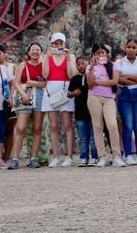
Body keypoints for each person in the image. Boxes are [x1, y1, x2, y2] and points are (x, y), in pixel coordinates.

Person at [8, 42, 48, 169]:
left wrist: (32, 82)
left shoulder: (44, 65)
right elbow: (16, 82)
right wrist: (23, 94)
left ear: (41, 52)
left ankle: (34, 158)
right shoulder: (23, 65)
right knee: (20, 128)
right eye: (33, 50)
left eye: (37, 49)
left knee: (37, 128)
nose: (35, 52)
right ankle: (15, 158)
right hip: (26, 95)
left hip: (40, 96)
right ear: (28, 52)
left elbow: (46, 83)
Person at [41, 33, 77, 167]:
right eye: (56, 43)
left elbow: (71, 75)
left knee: (68, 124)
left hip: (65, 90)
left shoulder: (70, 56)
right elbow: (45, 75)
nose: (58, 46)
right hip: (51, 91)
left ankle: (69, 156)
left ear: (64, 44)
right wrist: (47, 57)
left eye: (61, 43)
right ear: (51, 44)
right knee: (53, 125)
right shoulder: (47, 56)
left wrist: (68, 59)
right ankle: (55, 156)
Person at [86, 44, 125, 167]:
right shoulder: (89, 67)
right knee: (97, 126)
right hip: (94, 97)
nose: (101, 55)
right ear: (93, 55)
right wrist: (92, 67)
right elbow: (90, 84)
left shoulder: (114, 65)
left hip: (109, 98)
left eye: (103, 52)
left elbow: (114, 81)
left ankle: (117, 155)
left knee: (112, 125)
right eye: (98, 53)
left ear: (107, 54)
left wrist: (98, 82)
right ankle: (102, 155)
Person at [117, 39, 137, 166]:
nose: (131, 49)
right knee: (128, 126)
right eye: (129, 47)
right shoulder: (120, 62)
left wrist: (128, 77)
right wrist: (136, 79)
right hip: (125, 94)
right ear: (125, 48)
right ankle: (128, 154)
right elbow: (118, 79)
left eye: (134, 47)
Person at [66, 56, 97, 166]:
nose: (81, 66)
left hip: (93, 110)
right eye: (78, 64)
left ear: (87, 63)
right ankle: (84, 157)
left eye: (83, 63)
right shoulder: (74, 79)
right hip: (80, 112)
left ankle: (95, 157)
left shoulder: (93, 76)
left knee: (93, 137)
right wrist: (74, 93)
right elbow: (68, 94)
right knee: (83, 137)